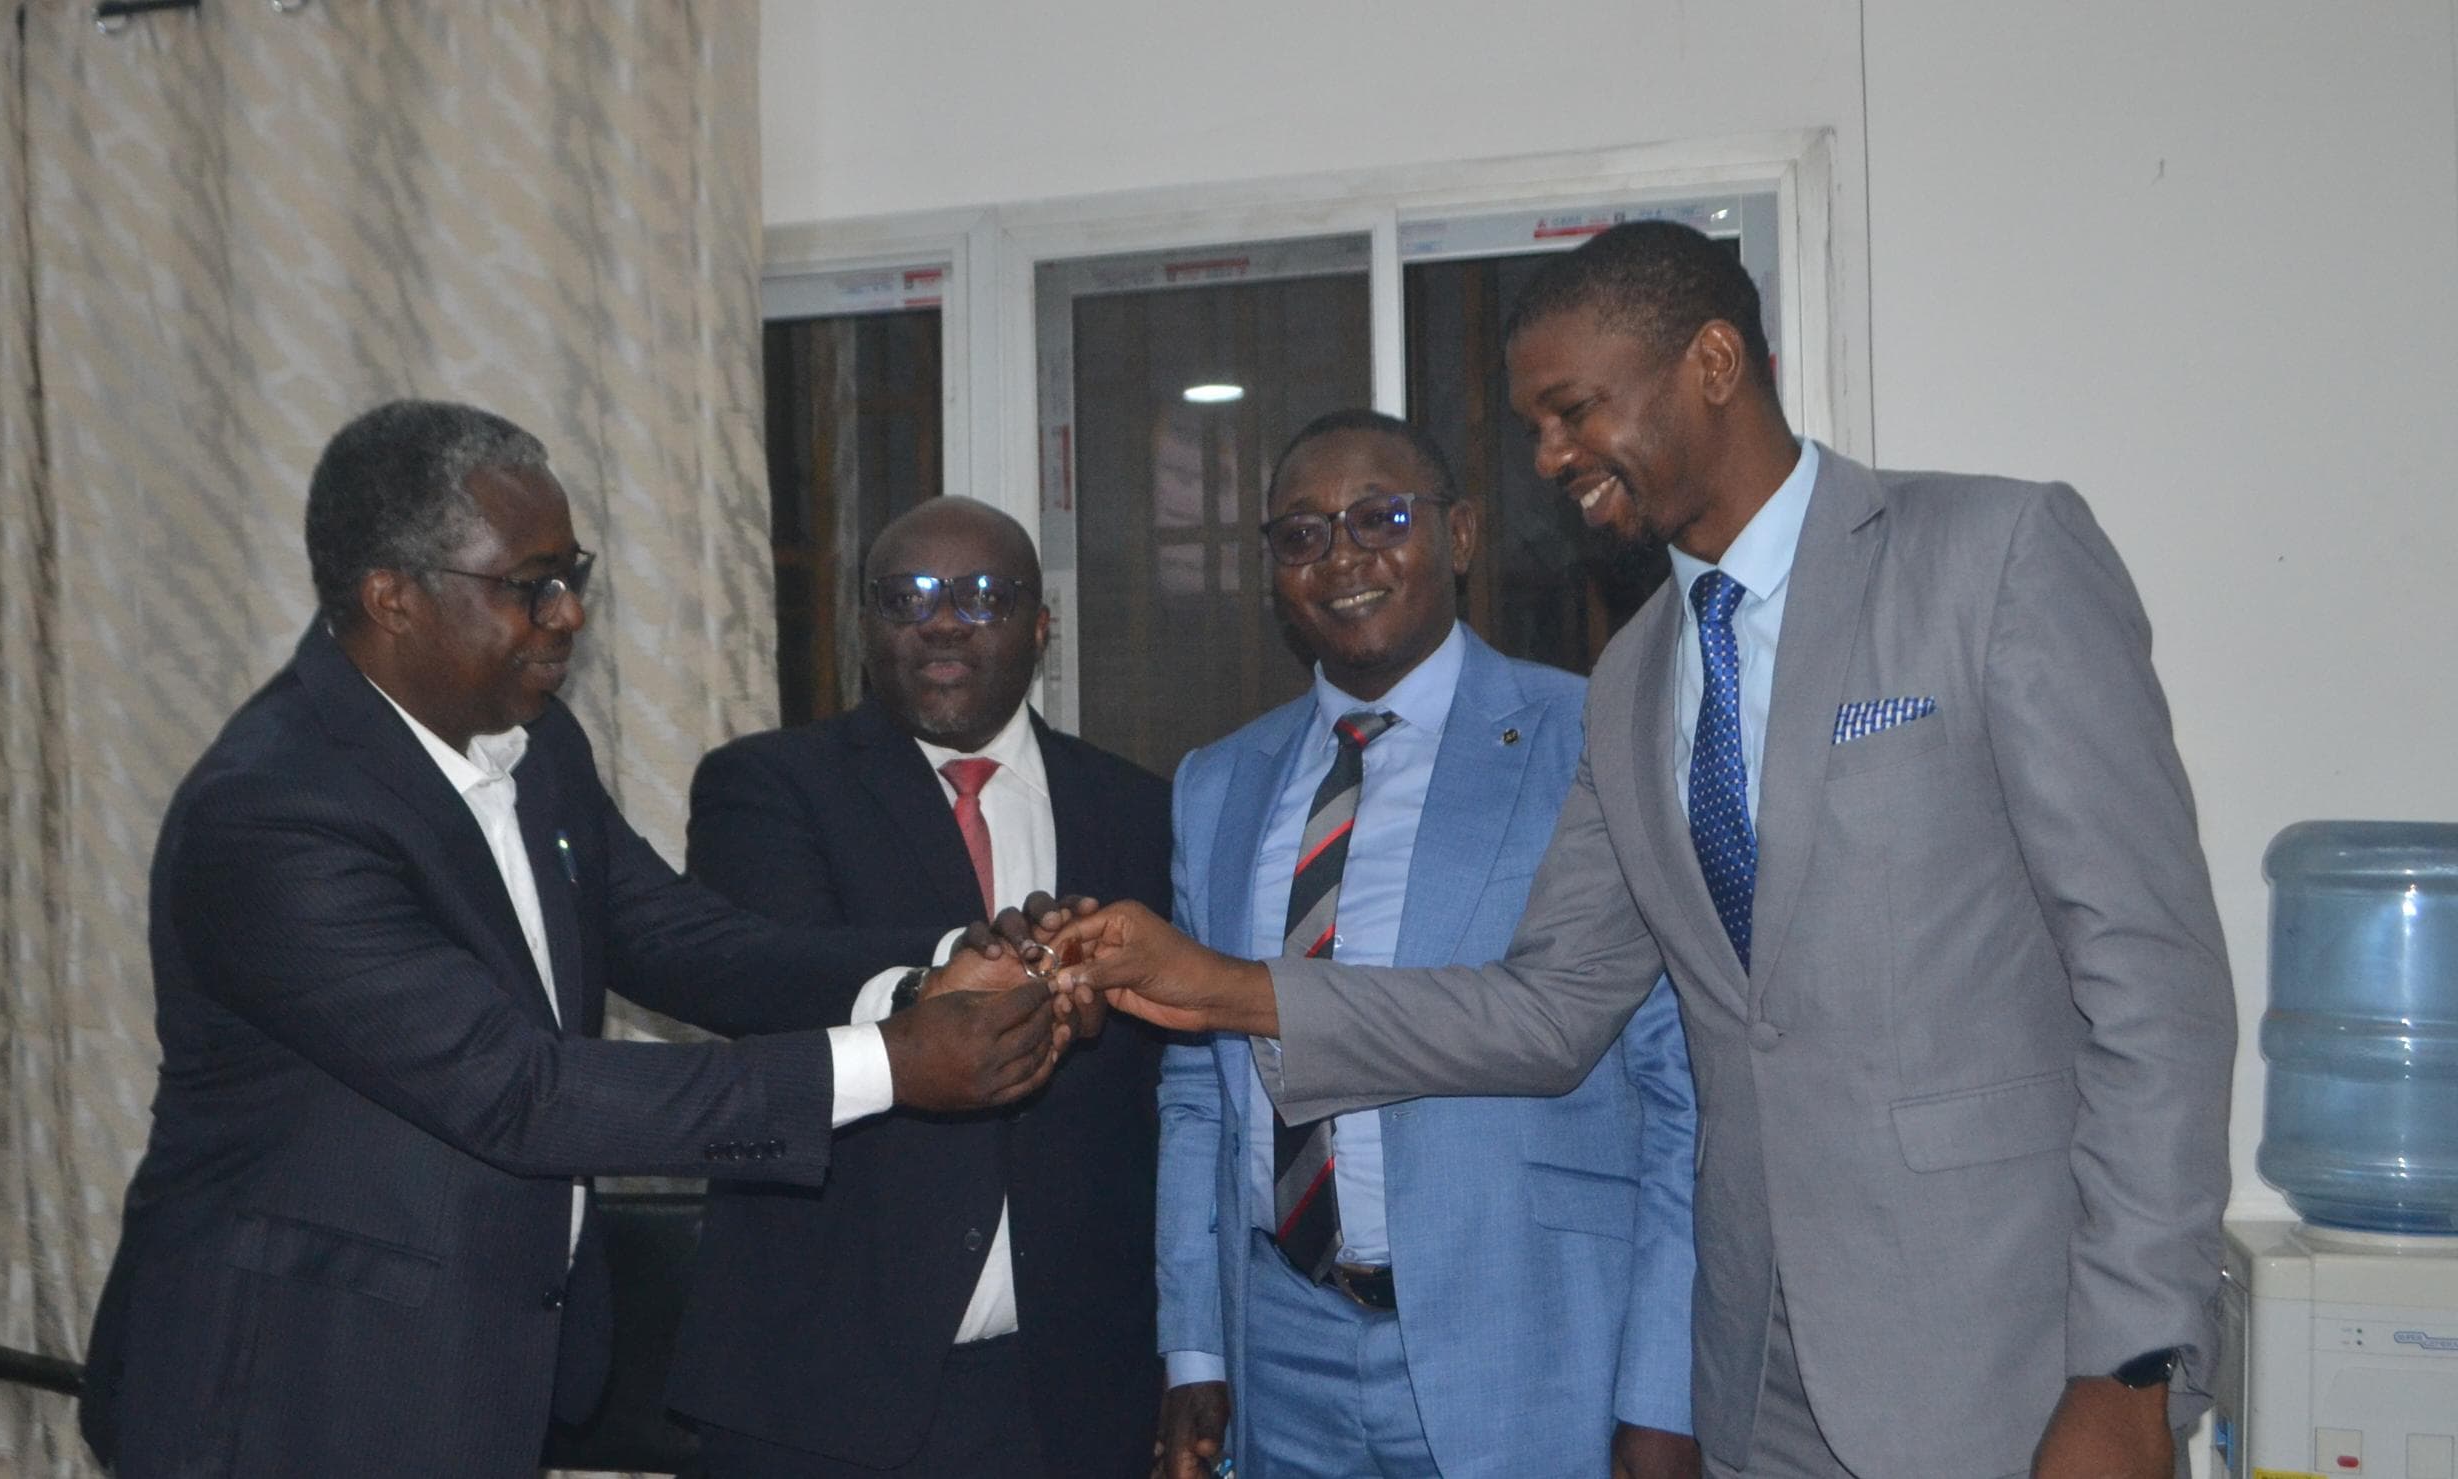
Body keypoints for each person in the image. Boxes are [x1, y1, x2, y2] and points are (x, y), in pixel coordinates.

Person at [1055, 222, 2237, 1479]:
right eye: (1535, 428)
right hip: (1753, 1378)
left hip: (2003, 1353)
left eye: (1573, 412)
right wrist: (1230, 990)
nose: (1549, 458)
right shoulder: (1631, 680)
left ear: (1712, 363)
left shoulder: (1987, 558)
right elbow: (1549, 1010)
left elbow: (2150, 983)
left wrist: (2131, 1360)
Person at [79, 401, 1064, 1479]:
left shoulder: (530, 739)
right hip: (297, 1382)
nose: (569, 615)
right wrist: (890, 1065)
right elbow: (520, 1092)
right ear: (393, 598)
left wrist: (931, 972)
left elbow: (679, 937)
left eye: (572, 573)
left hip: (475, 1361)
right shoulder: (275, 814)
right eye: (530, 584)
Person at [1151, 410, 1699, 1479]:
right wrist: (1194, 1349)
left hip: (1534, 1347)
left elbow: (1675, 1090)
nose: (1341, 556)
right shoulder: (1217, 784)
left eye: (1380, 518)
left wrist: (1662, 1391)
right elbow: (1194, 1095)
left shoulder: (1588, 735)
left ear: (1460, 535)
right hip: (1282, 1350)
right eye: (1301, 534)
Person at [666, 496, 1172, 1477]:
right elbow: (768, 976)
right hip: (819, 1390)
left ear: (1041, 626)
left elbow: (1168, 1097)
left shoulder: (1139, 811)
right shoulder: (765, 787)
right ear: (865, 625)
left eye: (983, 596)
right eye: (907, 598)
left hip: (1072, 1394)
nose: (942, 622)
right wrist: (973, 969)